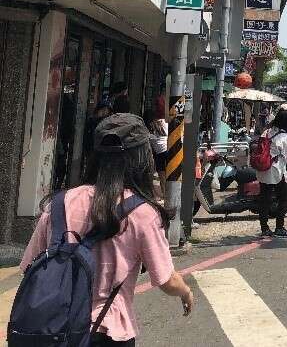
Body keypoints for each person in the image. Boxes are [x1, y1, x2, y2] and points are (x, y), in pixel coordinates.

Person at [19, 110, 193, 345]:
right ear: (142, 159)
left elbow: (30, 267)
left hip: (52, 328)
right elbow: (165, 279)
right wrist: (185, 292)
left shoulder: (59, 203)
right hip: (107, 330)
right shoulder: (142, 213)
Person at [255, 109, 287, 238]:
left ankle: (264, 228)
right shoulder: (285, 137)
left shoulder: (267, 131)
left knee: (264, 200)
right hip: (276, 171)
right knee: (284, 199)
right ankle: (279, 227)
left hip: (262, 169)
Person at [144, 105, 169, 202]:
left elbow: (149, 145)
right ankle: (170, 195)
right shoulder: (164, 122)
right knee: (169, 176)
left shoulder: (148, 129)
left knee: (162, 177)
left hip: (160, 154)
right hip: (169, 151)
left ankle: (165, 196)